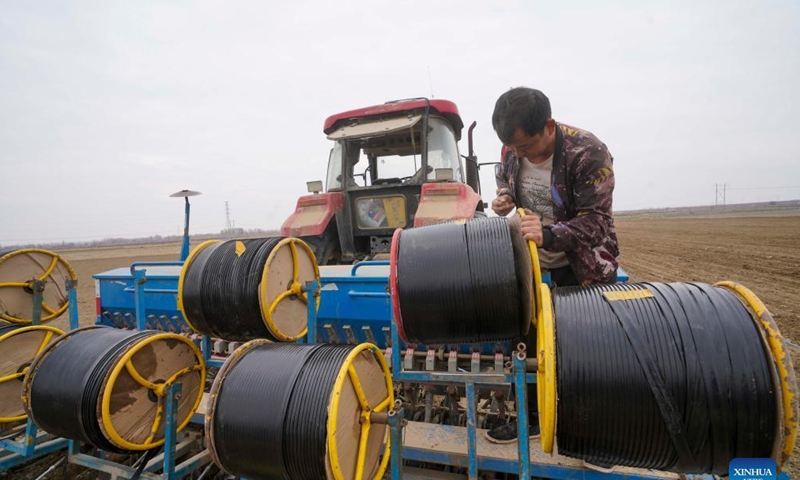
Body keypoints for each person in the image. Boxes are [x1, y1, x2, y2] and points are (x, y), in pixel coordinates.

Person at [486, 87, 620, 443]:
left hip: (580, 266)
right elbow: (507, 177)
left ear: (548, 126)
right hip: (530, 263)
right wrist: (505, 197)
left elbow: (598, 223)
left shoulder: (588, 153)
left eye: (525, 147)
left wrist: (549, 234)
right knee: (526, 345)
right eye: (512, 148)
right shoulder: (512, 147)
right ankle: (531, 419)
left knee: (581, 352)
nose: (518, 153)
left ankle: (590, 431)